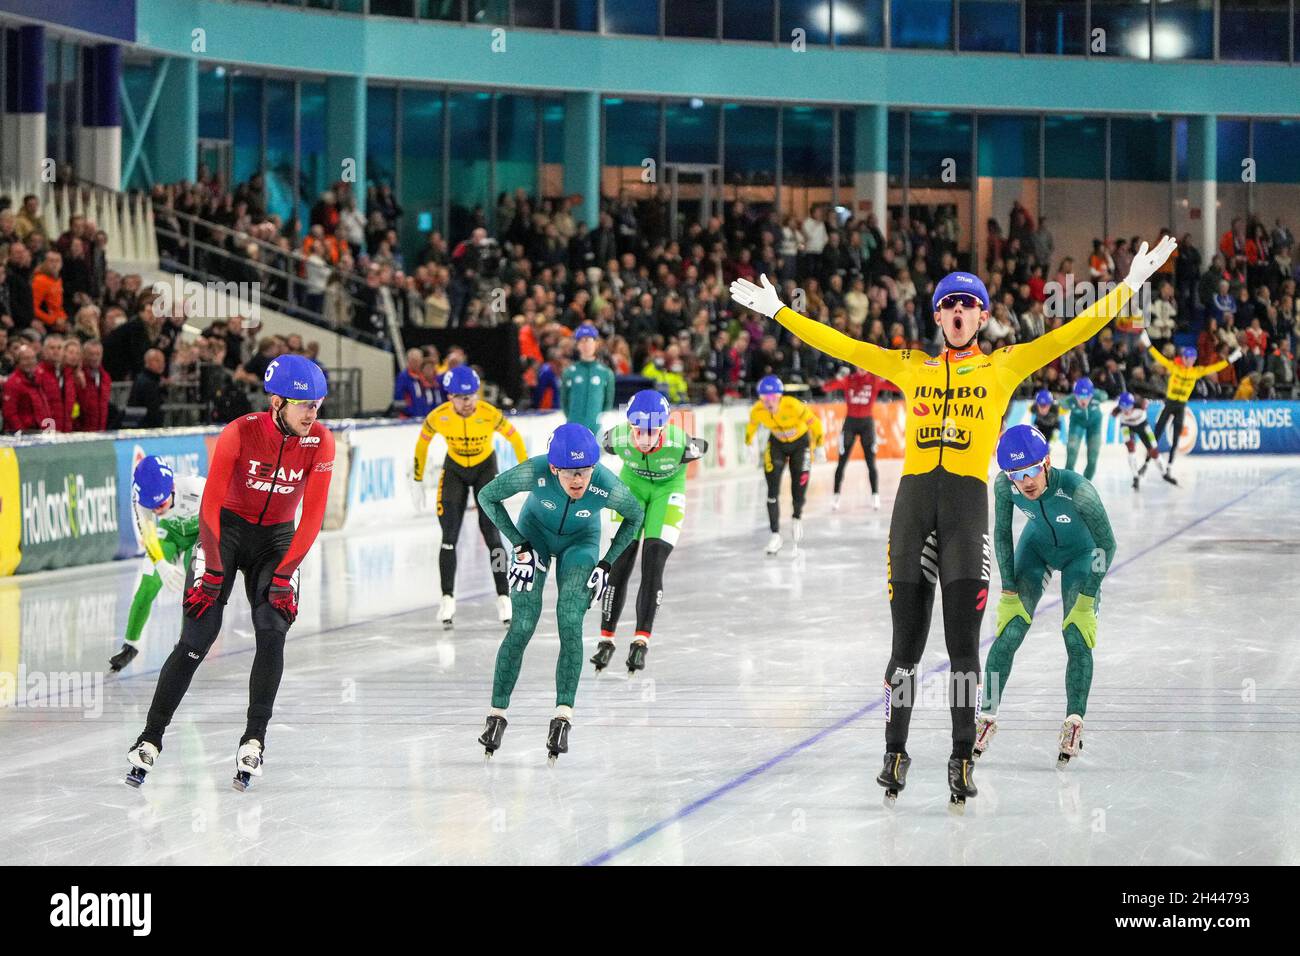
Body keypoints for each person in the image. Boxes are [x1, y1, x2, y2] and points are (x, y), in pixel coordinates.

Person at [730, 236, 1174, 810]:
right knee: (904, 647)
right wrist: (781, 312)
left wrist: (1127, 288)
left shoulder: (1005, 363)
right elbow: (842, 345)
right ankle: (895, 750)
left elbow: (1074, 331)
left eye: (969, 305)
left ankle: (962, 757)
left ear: (983, 317)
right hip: (913, 509)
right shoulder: (907, 365)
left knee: (963, 645)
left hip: (966, 511)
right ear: (937, 315)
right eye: (949, 305)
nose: (959, 313)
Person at [124, 355, 335, 791]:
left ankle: (254, 738)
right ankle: (150, 736)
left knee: (271, 628)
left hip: (278, 540)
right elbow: (211, 505)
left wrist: (285, 574)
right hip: (227, 532)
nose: (313, 414)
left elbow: (312, 518)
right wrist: (216, 569)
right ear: (277, 402)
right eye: (304, 405)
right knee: (197, 638)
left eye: (317, 405)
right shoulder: (240, 432)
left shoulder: (321, 443)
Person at [474, 423, 645, 763]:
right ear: (554, 469)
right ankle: (496, 714)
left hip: (581, 544)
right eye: (569, 474)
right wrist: (518, 543)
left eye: (584, 472)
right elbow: (486, 496)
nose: (578, 481)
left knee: (570, 621)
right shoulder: (535, 471)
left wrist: (607, 563)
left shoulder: (606, 485)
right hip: (533, 537)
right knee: (522, 624)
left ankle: (563, 716)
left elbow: (635, 515)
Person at [976, 425, 1116, 767]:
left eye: (1032, 471)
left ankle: (1074, 722)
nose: (1026, 482)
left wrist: (1088, 595)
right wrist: (1008, 586)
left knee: (1075, 633)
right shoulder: (1005, 487)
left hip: (1082, 556)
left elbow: (1107, 545)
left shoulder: (1078, 491)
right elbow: (1002, 534)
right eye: (1016, 475)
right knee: (1010, 631)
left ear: (1047, 462)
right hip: (1036, 550)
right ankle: (985, 717)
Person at [593, 390, 708, 675]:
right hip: (631, 488)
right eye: (637, 432)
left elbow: (702, 445)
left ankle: (641, 640)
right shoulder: (615, 438)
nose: (643, 440)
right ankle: (606, 639)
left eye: (651, 432)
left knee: (653, 562)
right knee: (619, 563)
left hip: (667, 493)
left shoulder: (680, 444)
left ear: (663, 428)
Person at [411, 365, 527, 628]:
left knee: (492, 534)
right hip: (454, 470)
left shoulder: (489, 413)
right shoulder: (438, 417)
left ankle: (503, 596)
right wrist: (417, 479)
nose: (469, 402)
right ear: (450, 398)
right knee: (449, 536)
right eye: (463, 398)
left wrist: (525, 470)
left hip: (485, 468)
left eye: (473, 396)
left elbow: (515, 439)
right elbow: (422, 444)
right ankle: (447, 597)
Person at [109, 458, 206, 673]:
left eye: (161, 505)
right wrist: (161, 565)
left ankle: (185, 644)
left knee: (193, 590)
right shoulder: (140, 498)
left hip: (200, 534)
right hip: (169, 534)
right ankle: (130, 645)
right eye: (151, 508)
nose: (157, 511)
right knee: (148, 586)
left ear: (171, 488)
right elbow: (148, 534)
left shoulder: (197, 488)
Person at [744, 375, 825, 556]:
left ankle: (797, 517)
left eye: (772, 398)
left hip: (800, 444)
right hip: (777, 445)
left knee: (799, 487)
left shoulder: (793, 405)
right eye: (764, 398)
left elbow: (816, 423)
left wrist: (819, 445)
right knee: (772, 489)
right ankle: (775, 535)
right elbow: (751, 427)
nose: (768, 403)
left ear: (780, 397)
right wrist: (748, 444)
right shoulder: (757, 410)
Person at [1143, 332, 1240, 477]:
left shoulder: (1196, 371)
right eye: (1189, 358)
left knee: (1176, 437)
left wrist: (1230, 359)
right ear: (1184, 358)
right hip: (1170, 403)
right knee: (1158, 432)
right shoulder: (1175, 367)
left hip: (1181, 406)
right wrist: (1149, 345)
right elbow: (1160, 359)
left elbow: (1215, 368)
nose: (1191, 361)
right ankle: (1146, 462)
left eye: (1193, 359)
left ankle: (1169, 466)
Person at [823, 364, 896, 511]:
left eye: (864, 365)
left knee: (871, 462)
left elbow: (896, 388)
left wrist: (886, 375)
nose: (862, 368)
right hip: (850, 423)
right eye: (859, 366)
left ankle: (875, 496)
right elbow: (826, 388)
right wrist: (838, 377)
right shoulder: (849, 379)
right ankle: (836, 496)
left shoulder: (874, 380)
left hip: (867, 424)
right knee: (842, 462)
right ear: (855, 367)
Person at [1111, 390, 1174, 489]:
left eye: (1128, 407)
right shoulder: (1117, 410)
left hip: (1142, 426)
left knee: (1154, 451)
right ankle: (1135, 477)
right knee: (1130, 448)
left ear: (1133, 404)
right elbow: (1113, 414)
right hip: (1127, 426)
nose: (1126, 411)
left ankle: (1164, 473)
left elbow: (1150, 400)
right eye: (1123, 408)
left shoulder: (1141, 404)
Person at [561, 323, 615, 435]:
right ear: (577, 345)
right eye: (582, 341)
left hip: (596, 430)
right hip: (573, 428)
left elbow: (608, 402)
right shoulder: (569, 372)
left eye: (589, 340)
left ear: (596, 343)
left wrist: (598, 420)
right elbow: (564, 401)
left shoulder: (606, 373)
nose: (586, 345)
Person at [1061, 377, 1107, 481]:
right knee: (1072, 451)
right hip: (1077, 423)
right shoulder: (1070, 400)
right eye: (1080, 396)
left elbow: (1105, 395)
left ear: (1092, 395)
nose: (1083, 400)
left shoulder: (1097, 396)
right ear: (1075, 395)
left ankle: (1086, 483)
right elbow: (1061, 403)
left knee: (1093, 457)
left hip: (1094, 425)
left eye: (1087, 396)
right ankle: (1068, 480)